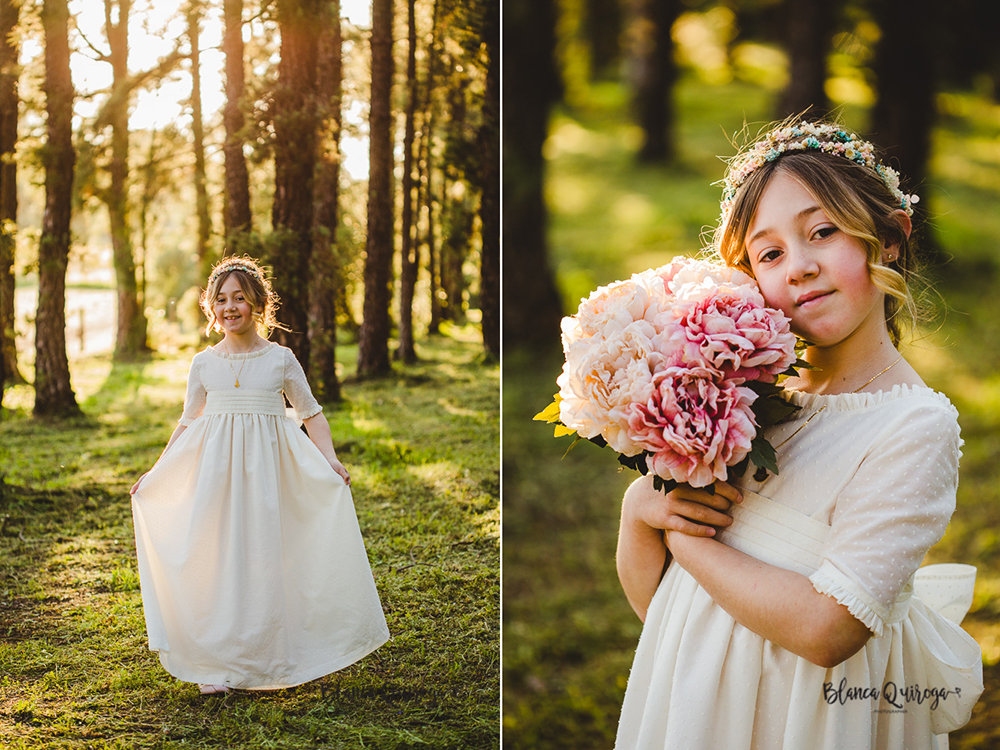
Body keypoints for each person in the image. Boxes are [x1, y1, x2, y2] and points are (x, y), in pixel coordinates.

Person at [614, 121, 983, 749]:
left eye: (822, 231)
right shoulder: (738, 405)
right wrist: (639, 513)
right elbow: (664, 608)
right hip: (696, 705)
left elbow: (826, 630)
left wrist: (692, 545)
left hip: (809, 719)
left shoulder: (913, 426)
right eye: (770, 253)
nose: (801, 267)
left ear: (889, 238)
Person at [130, 256, 389, 695]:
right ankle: (219, 660)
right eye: (222, 300)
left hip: (271, 475)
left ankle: (269, 653)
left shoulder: (280, 359)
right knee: (219, 558)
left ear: (258, 305)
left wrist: (329, 459)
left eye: (240, 299)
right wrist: (158, 471)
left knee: (266, 556)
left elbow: (311, 413)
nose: (230, 307)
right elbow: (188, 421)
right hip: (217, 477)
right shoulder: (203, 364)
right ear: (212, 308)